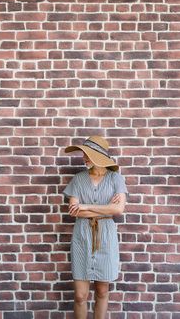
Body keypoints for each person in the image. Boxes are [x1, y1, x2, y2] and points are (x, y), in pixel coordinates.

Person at [63, 135, 128, 319]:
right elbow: (74, 211)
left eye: (88, 154)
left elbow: (118, 209)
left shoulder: (116, 179)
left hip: (106, 238)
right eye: (84, 153)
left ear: (99, 156)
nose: (84, 158)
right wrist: (105, 209)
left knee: (101, 291)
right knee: (80, 295)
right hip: (82, 238)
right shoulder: (78, 179)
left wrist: (86, 206)